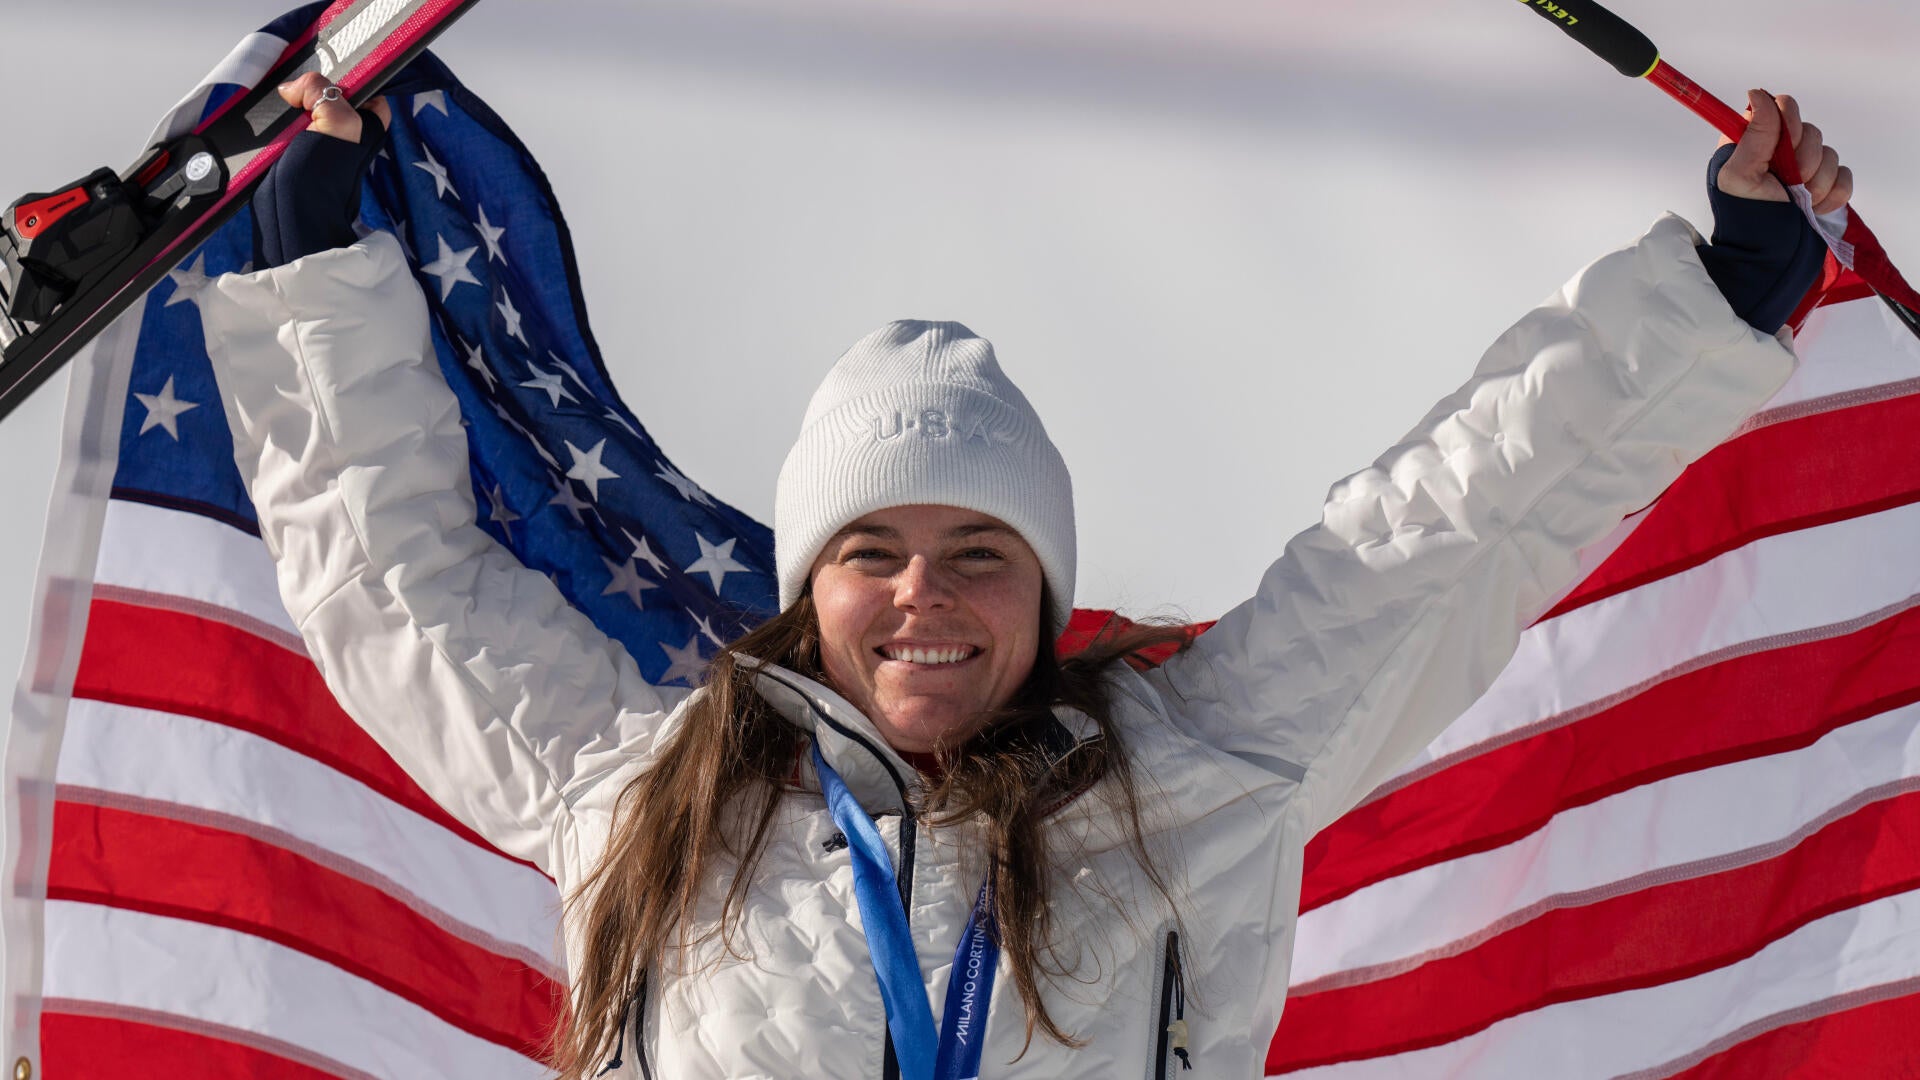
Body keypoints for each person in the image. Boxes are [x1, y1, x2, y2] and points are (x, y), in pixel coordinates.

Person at [200, 70, 1850, 1079]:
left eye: (977, 552)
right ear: (809, 588)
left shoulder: (1206, 774)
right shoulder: (640, 800)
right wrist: (316, 276)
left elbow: (1444, 531)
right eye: (874, 552)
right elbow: (399, 590)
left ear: (1048, 590)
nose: (924, 593)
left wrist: (1715, 295)